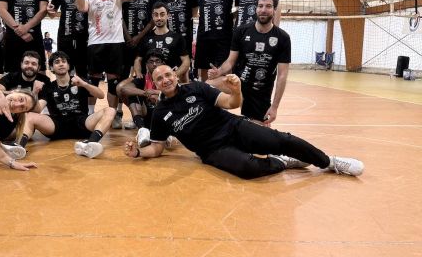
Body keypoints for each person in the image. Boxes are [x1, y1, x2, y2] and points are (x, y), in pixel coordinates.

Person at [123, 65, 365, 179]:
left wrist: (237, 90)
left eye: (168, 75)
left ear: (175, 75)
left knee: (280, 139)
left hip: (233, 127)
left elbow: (231, 103)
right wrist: (139, 153)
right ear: (154, 84)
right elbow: (157, 146)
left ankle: (330, 162)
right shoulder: (160, 113)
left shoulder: (196, 88)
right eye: (159, 79)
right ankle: (281, 162)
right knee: (247, 169)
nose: (165, 80)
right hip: (212, 150)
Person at [71, 0, 141, 126]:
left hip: (116, 43)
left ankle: (113, 116)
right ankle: (90, 114)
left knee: (113, 82)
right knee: (93, 81)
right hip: (95, 43)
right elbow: (81, 7)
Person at [208, 0, 289, 125]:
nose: (263, 10)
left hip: (260, 91)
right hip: (238, 84)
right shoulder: (241, 31)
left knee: (259, 133)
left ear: (275, 10)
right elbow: (230, 62)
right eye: (260, 6)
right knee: (207, 86)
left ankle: (256, 123)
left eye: (268, 6)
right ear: (256, 8)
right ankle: (217, 121)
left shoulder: (282, 38)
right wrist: (219, 72)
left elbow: (282, 75)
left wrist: (274, 107)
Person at [20, 51, 116, 159]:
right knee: (29, 116)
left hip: (82, 122)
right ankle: (19, 147)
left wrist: (84, 84)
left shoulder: (80, 81)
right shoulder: (49, 87)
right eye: (57, 62)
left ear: (68, 66)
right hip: (56, 125)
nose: (61, 64)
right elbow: (37, 110)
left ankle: (91, 143)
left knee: (111, 110)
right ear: (51, 68)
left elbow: (101, 95)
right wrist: (35, 93)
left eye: (63, 61)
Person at [192, 0, 238, 81]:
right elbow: (194, 13)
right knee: (204, 77)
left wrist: (228, 17)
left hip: (225, 38)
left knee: (225, 77)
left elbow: (240, 8)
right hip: (204, 38)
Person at [47, 0, 94, 78]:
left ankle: (83, 91)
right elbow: (52, 14)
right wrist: (49, 11)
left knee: (83, 73)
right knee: (65, 72)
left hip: (85, 38)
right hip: (65, 37)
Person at [159, 0, 196, 83]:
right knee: (167, 72)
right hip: (167, 40)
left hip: (185, 39)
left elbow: (194, 14)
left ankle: (185, 93)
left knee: (184, 73)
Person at [133, 2, 190, 82]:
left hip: (169, 80)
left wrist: (174, 75)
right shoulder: (146, 38)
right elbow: (138, 59)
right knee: (121, 87)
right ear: (152, 16)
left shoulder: (177, 38)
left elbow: (186, 61)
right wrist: (138, 74)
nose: (159, 18)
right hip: (150, 79)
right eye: (156, 15)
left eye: (162, 14)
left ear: (168, 15)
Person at [118, 48, 164, 143]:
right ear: (146, 64)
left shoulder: (168, 78)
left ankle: (166, 130)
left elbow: (178, 91)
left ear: (162, 63)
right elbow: (124, 89)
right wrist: (146, 93)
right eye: (151, 62)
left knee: (167, 97)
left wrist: (157, 92)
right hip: (146, 113)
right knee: (133, 94)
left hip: (164, 114)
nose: (154, 64)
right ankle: (142, 130)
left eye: (157, 61)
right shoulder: (142, 78)